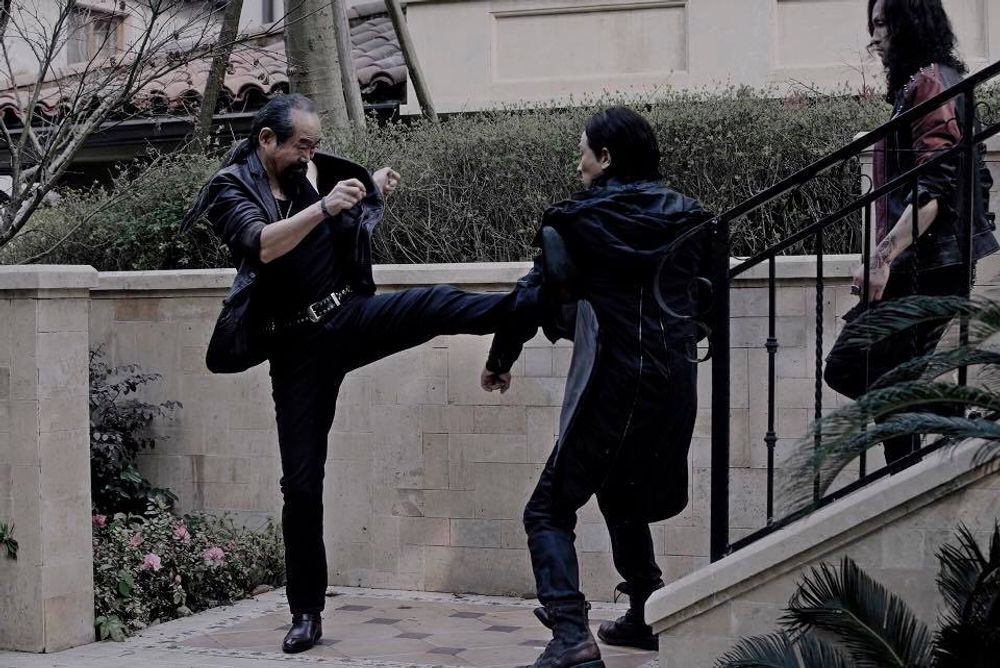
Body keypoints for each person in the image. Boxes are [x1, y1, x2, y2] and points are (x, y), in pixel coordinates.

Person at [181, 94, 539, 654]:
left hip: (347, 317)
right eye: (300, 144)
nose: (309, 154)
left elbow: (338, 230)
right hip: (296, 351)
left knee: (430, 305)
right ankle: (306, 612)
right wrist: (325, 207)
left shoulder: (312, 175)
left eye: (315, 144)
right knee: (301, 485)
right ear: (266, 140)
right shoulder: (232, 188)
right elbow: (263, 244)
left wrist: (369, 190)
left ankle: (531, 306)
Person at [481, 107, 711, 668]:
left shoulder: (577, 220)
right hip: (674, 381)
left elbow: (532, 295)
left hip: (613, 383)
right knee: (620, 491)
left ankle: (570, 634)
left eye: (582, 151)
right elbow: (708, 300)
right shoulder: (693, 218)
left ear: (605, 157)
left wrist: (501, 357)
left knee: (547, 510)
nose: (577, 162)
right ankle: (646, 611)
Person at [824, 0, 998, 464]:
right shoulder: (941, 80)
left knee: (849, 366)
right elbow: (974, 175)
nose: (874, 37)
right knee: (892, 372)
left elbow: (933, 186)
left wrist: (882, 258)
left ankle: (949, 415)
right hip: (939, 260)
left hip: (926, 262)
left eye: (882, 24)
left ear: (910, 23)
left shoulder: (929, 83)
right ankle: (905, 466)